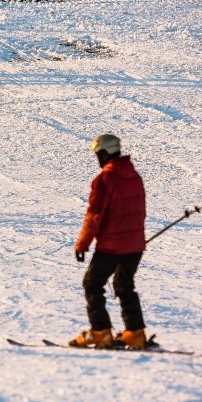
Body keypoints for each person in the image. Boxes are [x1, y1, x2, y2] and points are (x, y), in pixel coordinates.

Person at [71, 134, 148, 349]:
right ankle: (135, 333)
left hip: (112, 245)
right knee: (124, 285)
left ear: (104, 153)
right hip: (135, 244)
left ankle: (101, 332)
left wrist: (82, 244)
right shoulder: (133, 175)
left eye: (98, 154)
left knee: (92, 283)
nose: (97, 158)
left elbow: (94, 215)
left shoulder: (105, 179)